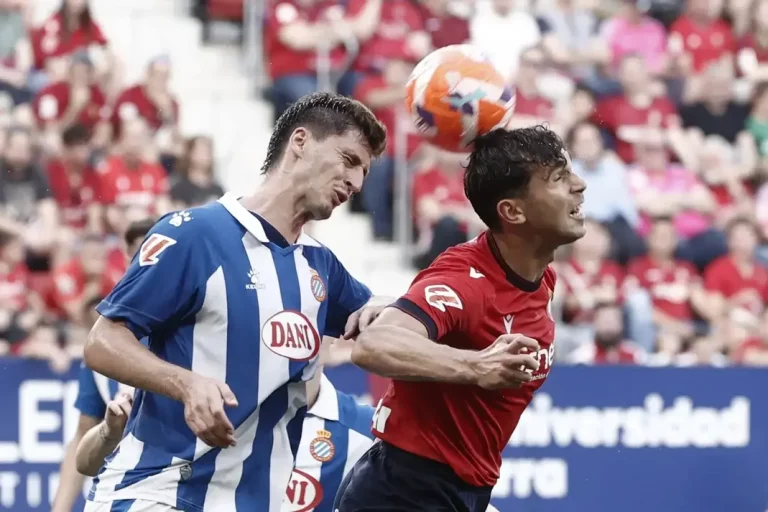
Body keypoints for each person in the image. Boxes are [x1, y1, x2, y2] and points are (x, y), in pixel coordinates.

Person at [81, 92, 387, 512]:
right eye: (349, 160)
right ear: (300, 142)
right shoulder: (195, 234)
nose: (356, 184)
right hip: (159, 492)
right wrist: (186, 384)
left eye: (365, 173)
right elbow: (102, 341)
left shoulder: (322, 269)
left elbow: (386, 327)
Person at [334, 125, 587, 512]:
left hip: (462, 492)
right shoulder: (465, 280)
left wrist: (403, 304)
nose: (579, 185)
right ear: (512, 211)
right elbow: (372, 345)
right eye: (558, 178)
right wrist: (476, 365)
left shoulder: (542, 278)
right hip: (404, 492)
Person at [76, 340, 377, 512]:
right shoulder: (212, 407)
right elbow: (86, 464)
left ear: (333, 337)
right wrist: (109, 431)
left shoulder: (366, 433)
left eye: (312, 324)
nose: (296, 342)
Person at [51, 219, 155, 512]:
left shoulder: (188, 328)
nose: (149, 262)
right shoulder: (104, 338)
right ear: (126, 256)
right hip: (120, 490)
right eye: (139, 252)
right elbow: (84, 432)